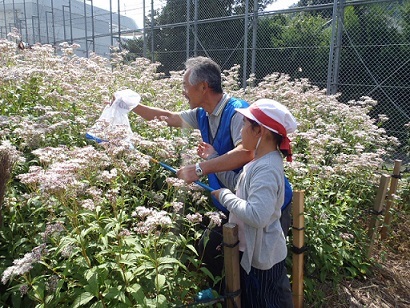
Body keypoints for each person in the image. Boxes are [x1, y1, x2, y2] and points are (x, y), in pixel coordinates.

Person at [120, 56, 253, 289]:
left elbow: (246, 152)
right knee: (215, 247)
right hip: (228, 197)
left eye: (185, 86)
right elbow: (169, 118)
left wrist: (201, 168)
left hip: (252, 200)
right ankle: (222, 293)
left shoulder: (237, 112)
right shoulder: (202, 113)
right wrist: (131, 106)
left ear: (203, 87)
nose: (183, 92)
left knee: (251, 269)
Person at [211, 98, 296, 307]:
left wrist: (225, 197)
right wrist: (212, 163)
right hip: (254, 255)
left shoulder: (266, 169)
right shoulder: (258, 161)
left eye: (245, 125)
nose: (240, 130)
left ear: (260, 131)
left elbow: (257, 216)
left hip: (263, 261)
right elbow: (238, 185)